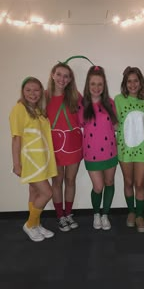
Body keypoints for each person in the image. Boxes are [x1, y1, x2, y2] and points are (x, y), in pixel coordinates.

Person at [9, 77, 57, 242]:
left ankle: (35, 224)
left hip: (42, 160)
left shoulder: (38, 110)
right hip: (30, 161)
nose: (32, 93)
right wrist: (16, 164)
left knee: (35, 192)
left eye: (36, 90)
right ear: (22, 91)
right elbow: (16, 138)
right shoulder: (19, 109)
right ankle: (30, 224)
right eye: (28, 90)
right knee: (47, 192)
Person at [78, 65, 118, 230]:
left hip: (110, 152)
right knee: (98, 186)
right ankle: (96, 213)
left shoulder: (110, 103)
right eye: (93, 84)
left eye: (100, 84)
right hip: (91, 153)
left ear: (104, 85)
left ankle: (105, 214)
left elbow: (116, 126)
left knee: (109, 183)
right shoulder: (81, 104)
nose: (96, 88)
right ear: (88, 85)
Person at [46, 62, 83, 232]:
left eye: (66, 76)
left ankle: (68, 213)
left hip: (74, 145)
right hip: (54, 145)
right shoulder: (44, 96)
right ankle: (60, 215)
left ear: (70, 79)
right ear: (53, 75)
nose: (62, 78)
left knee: (70, 180)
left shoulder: (76, 96)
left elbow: (88, 114)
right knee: (57, 180)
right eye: (59, 74)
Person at [114, 66, 144, 233]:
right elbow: (109, 117)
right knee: (128, 182)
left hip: (143, 149)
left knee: (140, 183)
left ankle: (140, 215)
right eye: (129, 81)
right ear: (125, 83)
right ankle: (131, 211)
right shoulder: (118, 100)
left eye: (135, 80)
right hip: (124, 149)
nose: (132, 84)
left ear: (140, 82)